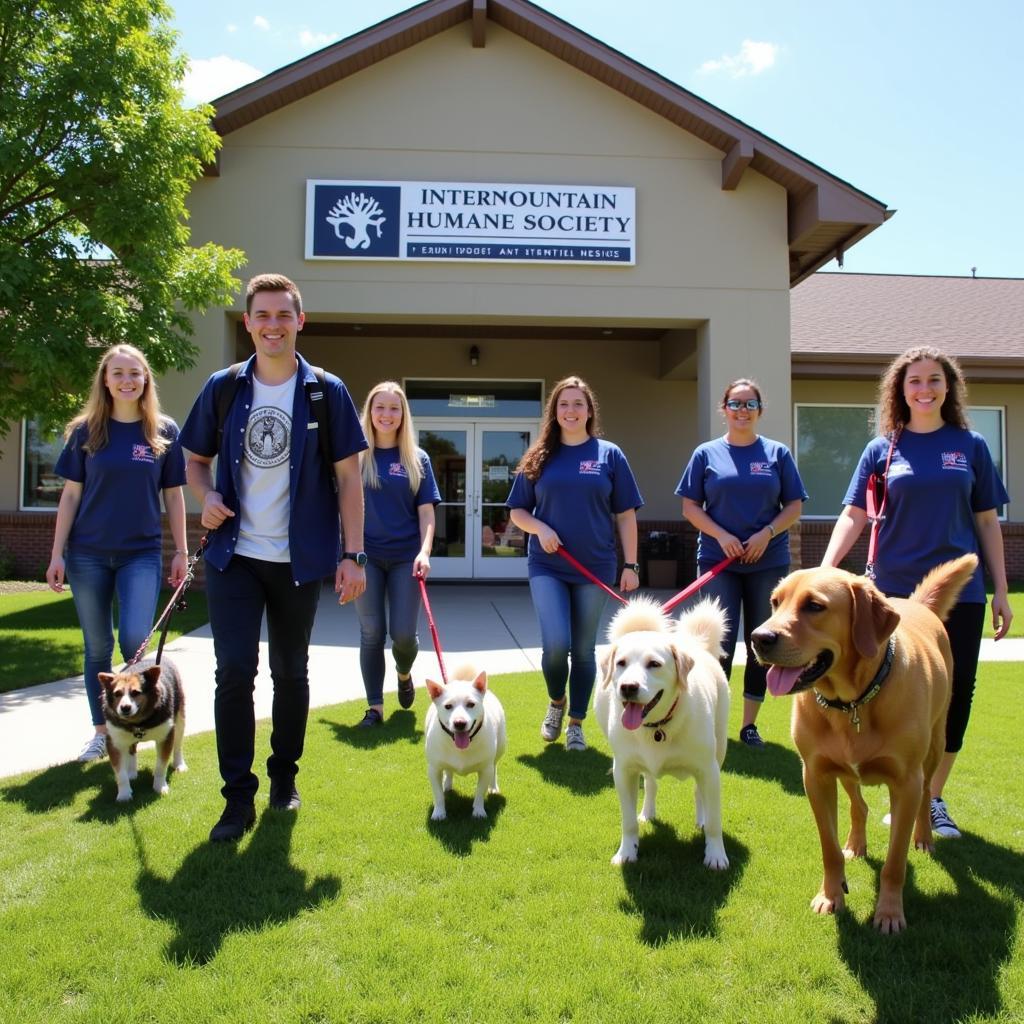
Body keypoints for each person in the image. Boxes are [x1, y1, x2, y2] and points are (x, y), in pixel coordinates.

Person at [181, 273, 368, 842]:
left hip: (298, 561)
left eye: (283, 315)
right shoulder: (225, 386)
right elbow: (192, 460)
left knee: (290, 672)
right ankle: (237, 798)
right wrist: (206, 496)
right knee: (234, 672)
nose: (272, 325)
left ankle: (283, 777)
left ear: (300, 321)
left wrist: (353, 554)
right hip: (233, 556)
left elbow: (349, 478)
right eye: (262, 315)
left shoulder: (325, 392)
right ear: (248, 323)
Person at [821, 345, 1011, 838]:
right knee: (878, 692)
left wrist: (1002, 592)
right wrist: (825, 569)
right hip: (891, 598)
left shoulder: (971, 447)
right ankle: (884, 785)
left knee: (953, 698)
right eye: (914, 381)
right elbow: (854, 515)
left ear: (949, 387)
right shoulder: (881, 450)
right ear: (899, 391)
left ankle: (931, 796)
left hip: (960, 596)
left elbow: (987, 521)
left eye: (933, 380)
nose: (924, 389)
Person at [46, 344, 188, 763]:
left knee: (134, 641)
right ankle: (103, 732)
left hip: (140, 554)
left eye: (135, 373)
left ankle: (140, 722)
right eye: (119, 373)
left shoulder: (163, 431)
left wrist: (181, 551)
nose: (127, 380)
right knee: (96, 647)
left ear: (146, 380)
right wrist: (57, 554)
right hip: (87, 554)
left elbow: (174, 497)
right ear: (105, 380)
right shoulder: (84, 432)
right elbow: (70, 496)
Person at [507, 376, 643, 751]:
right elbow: (518, 510)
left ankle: (576, 723)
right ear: (554, 411)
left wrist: (630, 565)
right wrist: (539, 528)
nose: (571, 410)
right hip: (548, 565)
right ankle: (556, 702)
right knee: (555, 644)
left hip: (595, 566)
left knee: (583, 650)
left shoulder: (609, 455)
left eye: (578, 404)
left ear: (589, 410)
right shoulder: (538, 456)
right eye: (563, 404)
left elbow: (626, 514)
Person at [676, 378, 806, 748]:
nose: (742, 411)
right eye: (735, 404)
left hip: (767, 561)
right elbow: (690, 508)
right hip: (719, 560)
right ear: (724, 410)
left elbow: (794, 506)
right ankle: (709, 720)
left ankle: (749, 725)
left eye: (750, 404)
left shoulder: (777, 454)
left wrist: (766, 532)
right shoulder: (706, 454)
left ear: (760, 410)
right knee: (717, 642)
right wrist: (722, 536)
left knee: (761, 642)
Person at [353, 381, 441, 727]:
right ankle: (374, 708)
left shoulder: (417, 459)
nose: (386, 415)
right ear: (369, 413)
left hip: (407, 557)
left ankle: (404, 673)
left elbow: (427, 513)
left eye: (394, 408)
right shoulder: (356, 457)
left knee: (403, 635)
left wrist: (425, 551)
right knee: (371, 632)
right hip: (366, 557)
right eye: (380, 408)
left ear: (403, 414)